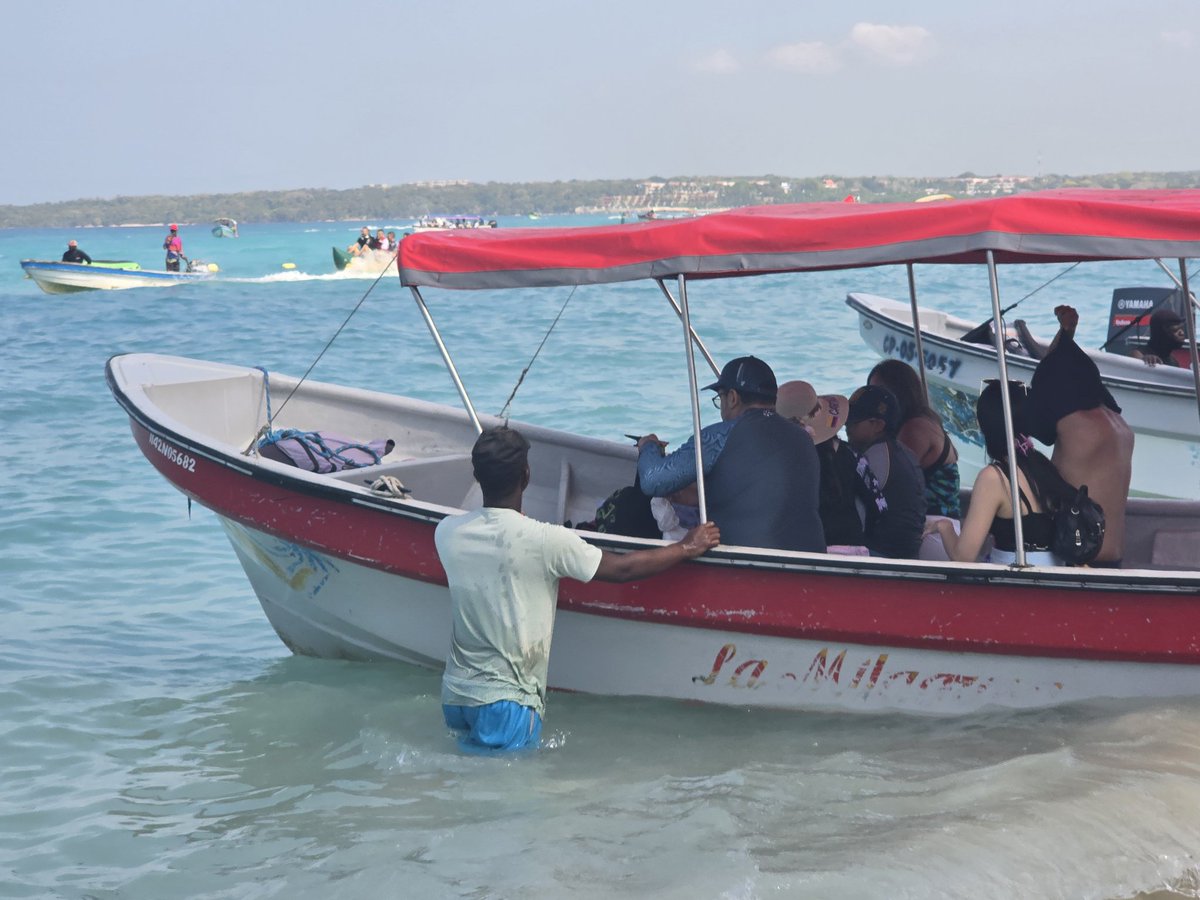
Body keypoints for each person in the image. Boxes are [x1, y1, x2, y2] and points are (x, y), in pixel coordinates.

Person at [436, 426, 720, 752]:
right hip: (507, 703)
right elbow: (622, 569)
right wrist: (686, 547)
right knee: (507, 792)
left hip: (456, 695)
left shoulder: (447, 532)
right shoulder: (547, 540)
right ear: (526, 476)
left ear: (477, 475)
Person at [636, 356, 825, 553]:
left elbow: (653, 480)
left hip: (747, 563)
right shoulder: (803, 438)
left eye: (721, 398)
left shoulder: (720, 435)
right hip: (810, 560)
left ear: (733, 397)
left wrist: (648, 445)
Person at [1024, 305, 1134, 566]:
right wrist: (1066, 335)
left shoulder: (1075, 426)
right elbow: (1058, 371)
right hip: (1113, 555)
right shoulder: (1119, 426)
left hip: (1080, 558)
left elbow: (1048, 382)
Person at [927, 379, 1073, 566]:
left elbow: (964, 556)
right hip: (1055, 578)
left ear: (986, 426)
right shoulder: (1044, 467)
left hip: (1017, 584)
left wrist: (943, 526)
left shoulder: (994, 478)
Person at [776, 380, 869, 548]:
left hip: (807, 551)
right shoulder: (851, 455)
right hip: (853, 548)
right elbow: (879, 505)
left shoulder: (782, 463)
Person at [843, 385, 927, 558]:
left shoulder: (874, 457)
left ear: (878, 425)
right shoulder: (904, 452)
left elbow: (857, 517)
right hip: (907, 550)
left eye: (853, 421)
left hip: (884, 553)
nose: (846, 425)